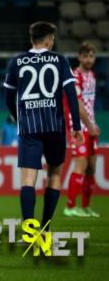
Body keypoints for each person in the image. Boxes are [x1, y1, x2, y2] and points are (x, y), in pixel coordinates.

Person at [3, 21, 83, 232]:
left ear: (32, 39)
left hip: (29, 127)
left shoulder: (17, 62)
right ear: (49, 40)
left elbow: (8, 97)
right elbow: (71, 94)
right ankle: (45, 229)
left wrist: (18, 117)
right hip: (54, 125)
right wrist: (76, 125)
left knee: (28, 179)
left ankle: (29, 231)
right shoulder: (60, 60)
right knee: (55, 174)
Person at [64, 42, 101, 218]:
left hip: (91, 124)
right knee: (80, 164)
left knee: (91, 168)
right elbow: (77, 105)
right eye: (85, 56)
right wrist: (90, 125)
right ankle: (70, 207)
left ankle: (85, 206)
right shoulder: (74, 75)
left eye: (91, 56)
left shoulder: (92, 76)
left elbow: (89, 104)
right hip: (77, 125)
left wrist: (94, 123)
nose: (88, 59)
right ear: (79, 57)